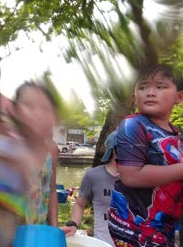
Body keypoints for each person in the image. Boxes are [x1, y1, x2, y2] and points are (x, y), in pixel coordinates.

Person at [108, 64, 183, 247]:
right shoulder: (133, 125)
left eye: (160, 87)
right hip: (135, 228)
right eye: (143, 87)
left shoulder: (175, 134)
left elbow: (175, 178)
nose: (150, 92)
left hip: (164, 226)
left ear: (180, 97)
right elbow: (131, 175)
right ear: (134, 97)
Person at [11, 82, 59, 226]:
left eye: (45, 108)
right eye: (29, 106)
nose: (37, 113)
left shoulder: (52, 149)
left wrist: (54, 229)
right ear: (15, 111)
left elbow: (51, 191)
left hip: (38, 233)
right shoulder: (8, 148)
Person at [62, 130, 118, 246]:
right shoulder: (93, 175)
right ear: (113, 149)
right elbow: (79, 204)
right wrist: (73, 224)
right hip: (102, 243)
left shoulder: (142, 178)